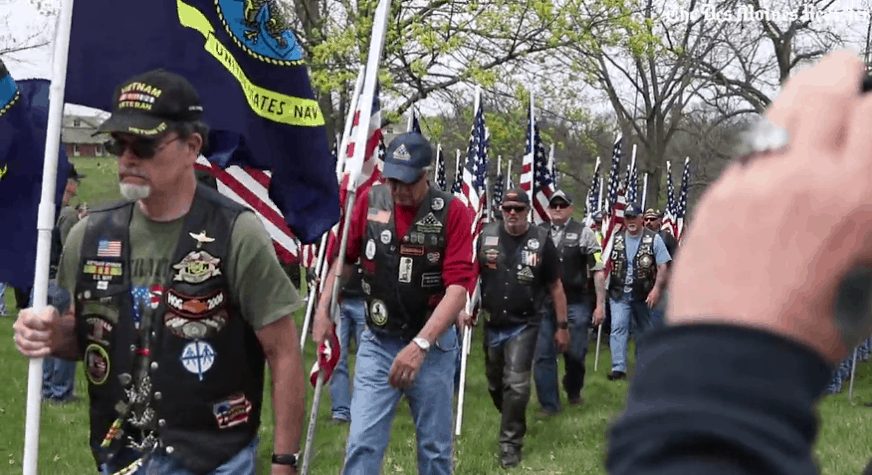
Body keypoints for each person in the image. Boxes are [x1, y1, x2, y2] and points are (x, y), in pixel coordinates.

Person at [13, 69, 305, 475]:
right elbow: (87, 338)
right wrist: (49, 334)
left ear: (191, 147)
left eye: (145, 145)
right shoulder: (89, 235)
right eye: (119, 145)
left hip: (216, 455)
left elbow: (284, 350)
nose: (128, 158)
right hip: (122, 456)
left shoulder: (235, 233)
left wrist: (285, 461)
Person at [606, 50, 872, 475]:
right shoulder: (621, 238)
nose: (643, 221)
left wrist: (722, 376)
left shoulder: (659, 240)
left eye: (645, 217)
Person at [312, 132, 473, 475]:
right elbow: (344, 259)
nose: (399, 189)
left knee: (434, 450)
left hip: (434, 347)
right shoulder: (371, 201)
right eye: (392, 179)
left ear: (425, 175)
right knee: (362, 442)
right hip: (378, 341)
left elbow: (458, 288)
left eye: (408, 182)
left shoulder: (453, 212)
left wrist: (420, 345)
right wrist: (325, 306)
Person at [459, 188, 569, 468]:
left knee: (517, 385)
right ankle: (512, 416)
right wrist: (467, 306)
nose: (511, 214)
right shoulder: (486, 236)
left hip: (526, 323)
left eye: (517, 209)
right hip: (492, 322)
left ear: (527, 212)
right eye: (506, 208)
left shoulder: (542, 240)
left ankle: (510, 445)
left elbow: (556, 287)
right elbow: (473, 276)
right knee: (497, 385)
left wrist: (562, 325)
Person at [533, 190, 605, 415]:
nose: (557, 209)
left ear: (570, 209)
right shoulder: (537, 233)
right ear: (547, 209)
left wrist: (600, 304)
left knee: (576, 351)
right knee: (543, 353)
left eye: (562, 206)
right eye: (553, 206)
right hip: (544, 303)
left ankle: (573, 390)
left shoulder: (584, 233)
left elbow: (598, 269)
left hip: (576, 301)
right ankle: (549, 404)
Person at [605, 204, 671, 381]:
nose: (631, 221)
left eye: (634, 217)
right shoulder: (616, 238)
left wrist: (657, 290)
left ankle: (643, 365)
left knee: (643, 330)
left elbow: (663, 266)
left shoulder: (654, 239)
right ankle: (618, 368)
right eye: (628, 217)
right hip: (619, 293)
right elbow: (605, 262)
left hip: (643, 293)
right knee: (618, 327)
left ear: (641, 218)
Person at [41, 164, 86, 404]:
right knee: (66, 335)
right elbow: (71, 250)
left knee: (47, 337)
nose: (76, 185)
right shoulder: (67, 213)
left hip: (42, 281)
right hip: (60, 280)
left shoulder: (43, 208)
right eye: (74, 181)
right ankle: (60, 391)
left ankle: (46, 385)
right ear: (67, 184)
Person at [329, 263, 367, 424]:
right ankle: (340, 411)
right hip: (339, 299)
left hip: (366, 299)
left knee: (367, 359)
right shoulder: (335, 236)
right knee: (337, 357)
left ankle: (364, 409)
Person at [642, 208, 678, 328]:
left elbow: (674, 263)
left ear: (659, 221)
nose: (648, 222)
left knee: (657, 317)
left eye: (652, 219)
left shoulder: (667, 239)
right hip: (641, 283)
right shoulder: (638, 237)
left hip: (661, 283)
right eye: (646, 219)